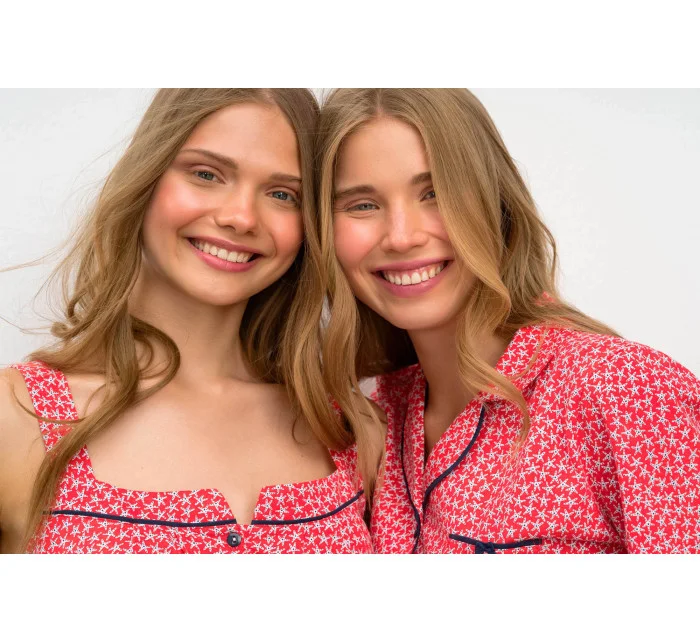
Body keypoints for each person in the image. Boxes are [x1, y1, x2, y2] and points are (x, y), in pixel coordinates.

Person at [313, 88, 700, 553]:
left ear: (498, 203)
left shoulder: (629, 391)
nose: (401, 236)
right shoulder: (369, 421)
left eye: (435, 193)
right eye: (362, 204)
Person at [0, 88, 374, 554]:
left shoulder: (348, 427)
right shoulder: (15, 416)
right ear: (148, 177)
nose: (240, 217)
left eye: (283, 194)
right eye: (206, 174)